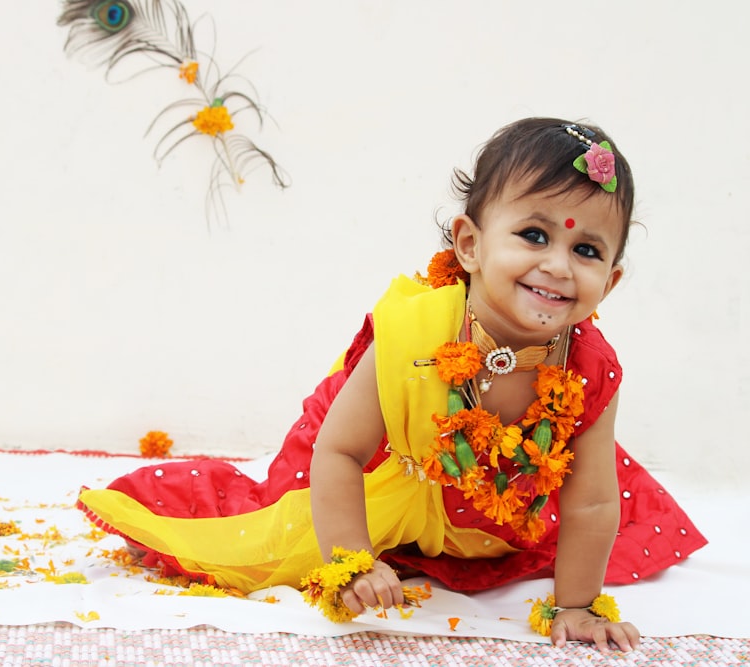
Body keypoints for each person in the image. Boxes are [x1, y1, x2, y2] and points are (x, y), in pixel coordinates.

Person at [76, 117, 707, 652]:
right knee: (279, 527)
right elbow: (340, 451)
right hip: (382, 475)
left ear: (612, 282)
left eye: (588, 251)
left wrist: (578, 606)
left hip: (497, 497)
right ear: (469, 244)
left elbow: (593, 502)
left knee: (600, 516)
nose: (557, 265)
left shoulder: (590, 367)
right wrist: (351, 561)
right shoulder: (416, 335)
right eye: (533, 235)